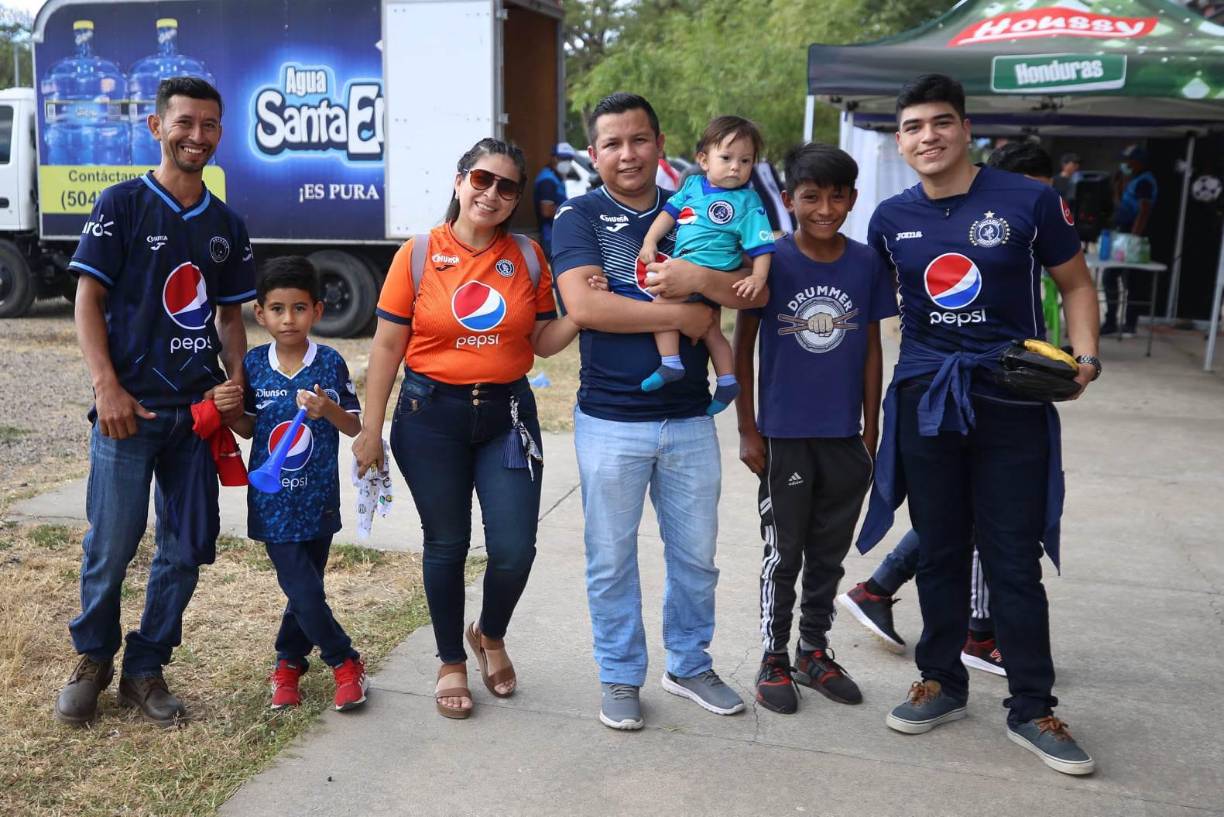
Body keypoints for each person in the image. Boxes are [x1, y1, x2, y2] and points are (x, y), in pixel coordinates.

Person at [856, 74, 1102, 776]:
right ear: (899, 140)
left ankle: (1032, 706)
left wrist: (1084, 359)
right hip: (929, 397)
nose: (926, 136)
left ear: (966, 130)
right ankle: (941, 680)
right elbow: (862, 310)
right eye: (912, 127)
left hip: (1012, 395)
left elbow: (1076, 283)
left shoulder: (1027, 199)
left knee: (1012, 558)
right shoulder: (889, 218)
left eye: (940, 122)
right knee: (937, 547)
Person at [551, 92, 767, 731]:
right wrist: (687, 313)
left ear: (660, 143)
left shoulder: (707, 202)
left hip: (690, 420)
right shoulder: (578, 216)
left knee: (696, 556)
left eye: (639, 140)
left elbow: (753, 291)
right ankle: (620, 676)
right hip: (610, 421)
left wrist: (698, 283)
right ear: (594, 154)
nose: (627, 154)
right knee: (611, 557)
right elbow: (588, 310)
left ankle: (689, 663)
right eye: (612, 144)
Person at [353, 137, 582, 720]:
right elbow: (386, 345)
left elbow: (543, 342)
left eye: (507, 187)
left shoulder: (528, 257)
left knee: (514, 548)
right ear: (460, 181)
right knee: (447, 543)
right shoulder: (420, 252)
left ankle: (491, 632)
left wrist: (581, 311)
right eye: (482, 179)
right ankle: (451, 659)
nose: (492, 193)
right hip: (431, 417)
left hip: (507, 415)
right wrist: (369, 429)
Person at [55, 77, 255, 726]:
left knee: (188, 544)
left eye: (209, 125)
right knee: (111, 544)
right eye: (185, 122)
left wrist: (237, 386)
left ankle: (145, 666)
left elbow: (229, 319)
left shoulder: (226, 224)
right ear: (155, 126)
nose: (197, 135)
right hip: (128, 413)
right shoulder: (122, 204)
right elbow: (89, 299)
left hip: (196, 419)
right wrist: (105, 385)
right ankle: (93, 658)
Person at [732, 142, 897, 715]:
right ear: (789, 200)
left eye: (836, 196)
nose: (825, 208)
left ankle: (813, 650)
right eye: (811, 197)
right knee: (785, 553)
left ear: (852, 198)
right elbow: (742, 348)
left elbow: (872, 348)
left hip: (844, 437)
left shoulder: (866, 263)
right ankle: (773, 656)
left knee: (829, 554)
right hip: (783, 437)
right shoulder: (770, 261)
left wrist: (871, 432)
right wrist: (748, 430)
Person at [218, 257, 369, 712]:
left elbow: (354, 426)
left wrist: (328, 409)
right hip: (271, 501)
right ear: (260, 314)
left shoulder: (329, 362)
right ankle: (345, 660)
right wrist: (229, 414)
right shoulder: (253, 367)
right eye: (278, 309)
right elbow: (248, 429)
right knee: (303, 588)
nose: (289, 319)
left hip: (318, 497)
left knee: (307, 591)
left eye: (299, 308)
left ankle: (288, 662)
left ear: (317, 311)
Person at [637, 116, 774, 415]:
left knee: (661, 307)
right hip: (683, 270)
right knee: (712, 330)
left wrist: (759, 277)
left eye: (745, 160)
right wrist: (649, 242)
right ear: (703, 160)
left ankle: (671, 363)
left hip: (718, 273)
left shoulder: (749, 201)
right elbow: (667, 216)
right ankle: (727, 382)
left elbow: (762, 245)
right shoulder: (692, 186)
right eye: (726, 158)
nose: (736, 166)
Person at [1103, 144, 1158, 337]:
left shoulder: (1145, 182)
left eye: (1128, 160)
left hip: (1134, 236)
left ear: (1138, 162)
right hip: (1123, 233)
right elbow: (1121, 205)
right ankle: (1112, 321)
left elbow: (1143, 211)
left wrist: (1133, 239)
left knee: (1129, 280)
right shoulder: (1133, 180)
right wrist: (1119, 186)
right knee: (1111, 277)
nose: (1125, 164)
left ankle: (1128, 324)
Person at [533, 141, 575, 259]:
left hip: (557, 235)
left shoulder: (555, 176)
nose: (566, 162)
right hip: (551, 237)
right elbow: (546, 211)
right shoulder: (548, 181)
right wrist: (572, 212)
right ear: (553, 158)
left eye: (569, 159)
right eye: (562, 159)